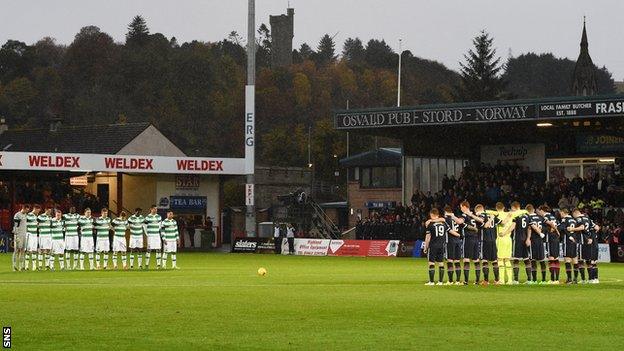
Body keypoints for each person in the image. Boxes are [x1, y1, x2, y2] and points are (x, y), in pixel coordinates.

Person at [423, 209, 447, 286]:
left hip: (433, 246)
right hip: (441, 246)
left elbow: (428, 237)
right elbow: (443, 220)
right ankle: (440, 282)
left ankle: (432, 281)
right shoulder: (443, 224)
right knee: (441, 263)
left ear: (432, 215)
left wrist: (425, 247)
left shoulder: (430, 224)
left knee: (431, 263)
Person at [537, 205, 560, 284]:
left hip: (549, 239)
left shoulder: (545, 217)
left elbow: (550, 223)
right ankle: (556, 279)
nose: (538, 212)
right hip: (556, 239)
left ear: (542, 210)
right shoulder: (553, 216)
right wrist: (557, 230)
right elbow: (557, 224)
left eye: (539, 211)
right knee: (556, 258)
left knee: (551, 258)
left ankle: (552, 279)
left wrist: (556, 230)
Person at [459, 201, 480, 285]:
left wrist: (455, 218)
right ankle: (477, 281)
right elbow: (481, 221)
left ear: (464, 207)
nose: (460, 208)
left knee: (466, 259)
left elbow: (460, 221)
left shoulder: (464, 215)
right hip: (476, 239)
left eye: (461, 207)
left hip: (468, 239)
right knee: (476, 259)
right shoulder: (473, 215)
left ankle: (466, 281)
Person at [509, 202, 531, 284]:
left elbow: (513, 226)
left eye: (512, 209)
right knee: (526, 259)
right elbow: (529, 228)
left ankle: (516, 280)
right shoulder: (526, 214)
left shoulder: (515, 215)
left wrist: (505, 232)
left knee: (516, 260)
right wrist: (528, 238)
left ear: (514, 207)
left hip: (517, 239)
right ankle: (529, 280)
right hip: (525, 239)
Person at [443, 206, 463, 285]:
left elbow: (449, 230)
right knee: (457, 261)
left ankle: (450, 281)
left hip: (450, 241)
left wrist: (457, 235)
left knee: (450, 260)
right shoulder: (456, 219)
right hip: (458, 241)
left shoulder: (446, 220)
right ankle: (458, 281)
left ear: (445, 212)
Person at [559, 209, 579, 284]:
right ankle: (575, 279)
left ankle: (569, 279)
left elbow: (562, 228)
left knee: (567, 260)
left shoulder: (565, 219)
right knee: (575, 259)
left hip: (567, 241)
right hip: (574, 240)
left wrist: (557, 227)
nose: (560, 214)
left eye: (561, 213)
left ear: (563, 213)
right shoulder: (574, 220)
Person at [12, 204, 30, 271]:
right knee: (16, 250)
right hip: (18, 235)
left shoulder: (25, 215)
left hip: (24, 234)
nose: (27, 211)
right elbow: (15, 225)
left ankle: (21, 266)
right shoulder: (17, 215)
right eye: (27, 210)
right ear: (24, 208)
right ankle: (14, 266)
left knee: (22, 250)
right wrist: (16, 235)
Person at [25, 205, 41, 270]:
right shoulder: (28, 215)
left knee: (34, 250)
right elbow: (24, 223)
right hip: (30, 234)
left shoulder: (36, 216)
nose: (38, 212)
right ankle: (26, 266)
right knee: (29, 251)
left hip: (35, 235)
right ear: (34, 209)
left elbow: (36, 224)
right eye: (38, 211)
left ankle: (34, 267)